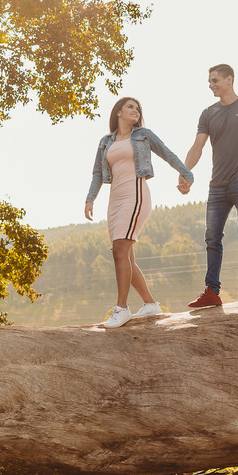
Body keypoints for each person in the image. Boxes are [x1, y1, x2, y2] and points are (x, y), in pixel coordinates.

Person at [85, 97, 195, 328]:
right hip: (115, 200)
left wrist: (187, 174)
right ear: (118, 112)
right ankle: (150, 304)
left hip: (136, 195)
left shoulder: (143, 135)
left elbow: (167, 153)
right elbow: (97, 173)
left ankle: (121, 308)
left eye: (138, 108)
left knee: (119, 251)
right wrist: (90, 199)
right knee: (125, 256)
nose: (136, 110)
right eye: (130, 107)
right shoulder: (106, 141)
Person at [183, 64, 238, 309]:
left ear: (229, 80)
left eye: (215, 81)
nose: (211, 85)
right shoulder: (208, 113)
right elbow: (197, 147)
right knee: (212, 237)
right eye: (209, 82)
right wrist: (185, 173)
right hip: (217, 186)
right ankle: (211, 291)